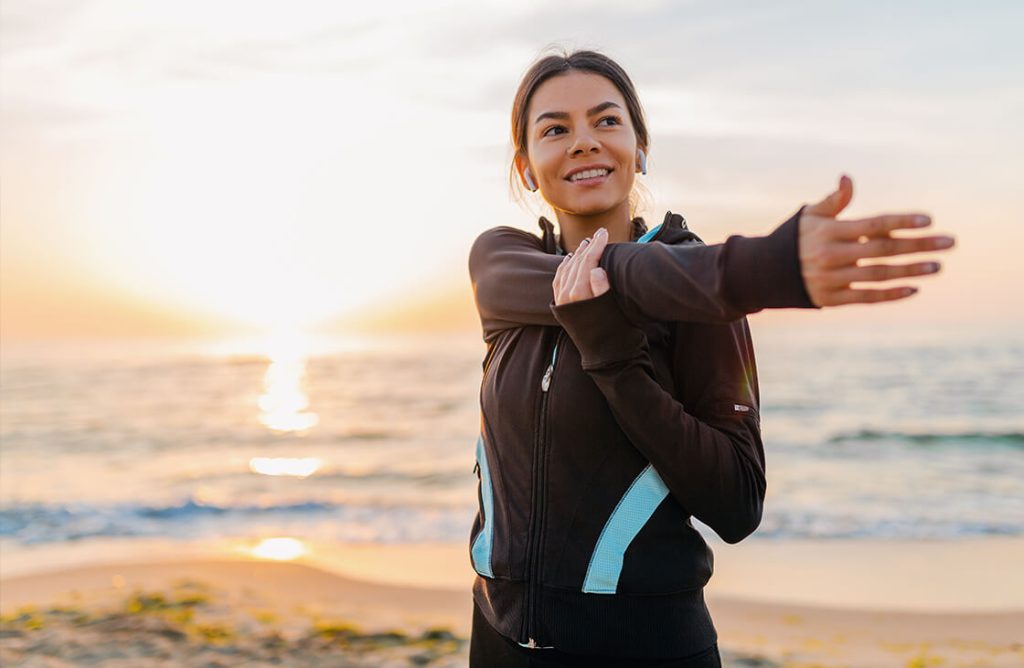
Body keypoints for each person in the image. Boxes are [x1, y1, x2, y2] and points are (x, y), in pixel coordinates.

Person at [466, 48, 955, 667]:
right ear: (526, 167)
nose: (584, 142)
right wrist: (761, 268)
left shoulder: (696, 299)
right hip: (498, 638)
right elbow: (617, 274)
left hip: (648, 649)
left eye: (607, 121)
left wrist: (615, 360)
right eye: (555, 129)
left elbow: (737, 504)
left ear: (640, 148)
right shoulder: (501, 265)